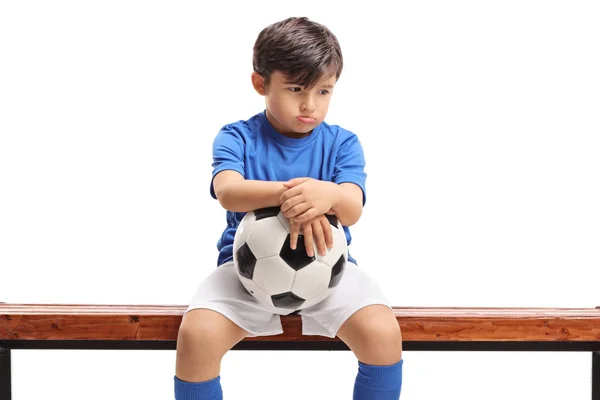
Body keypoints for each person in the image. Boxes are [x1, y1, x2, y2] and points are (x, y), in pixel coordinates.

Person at [174, 16, 403, 400]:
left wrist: (328, 195)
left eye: (324, 92)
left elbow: (351, 208)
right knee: (197, 336)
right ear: (260, 84)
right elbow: (228, 191)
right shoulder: (237, 137)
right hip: (244, 272)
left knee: (382, 331)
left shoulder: (342, 143)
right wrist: (296, 195)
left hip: (330, 269)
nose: (309, 105)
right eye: (296, 88)